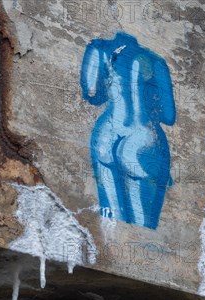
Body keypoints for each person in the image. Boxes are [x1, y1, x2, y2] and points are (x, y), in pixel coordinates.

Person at [81, 32, 176, 229]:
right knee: (142, 226)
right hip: (142, 137)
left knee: (110, 222)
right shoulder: (155, 60)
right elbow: (168, 115)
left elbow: (92, 95)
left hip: (106, 135)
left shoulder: (98, 48)